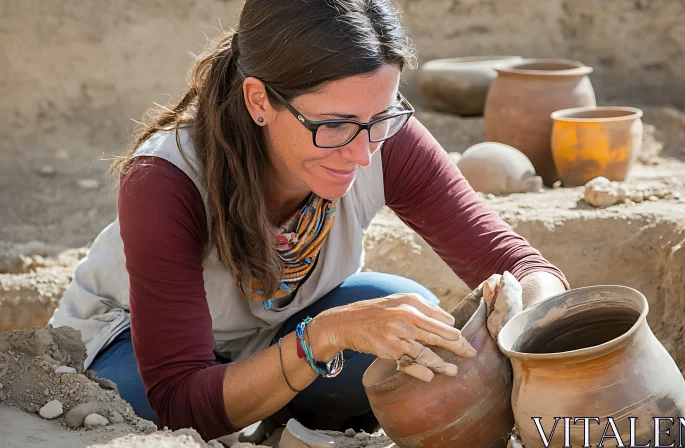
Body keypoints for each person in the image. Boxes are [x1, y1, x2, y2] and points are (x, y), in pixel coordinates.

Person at [50, 0, 568, 441]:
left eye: (380, 118)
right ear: (260, 101)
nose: (363, 154)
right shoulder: (164, 181)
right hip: (135, 347)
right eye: (336, 125)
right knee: (137, 414)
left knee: (421, 330)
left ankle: (283, 426)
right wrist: (326, 334)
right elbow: (180, 397)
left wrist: (533, 314)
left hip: (277, 335)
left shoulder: (382, 137)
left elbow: (517, 262)